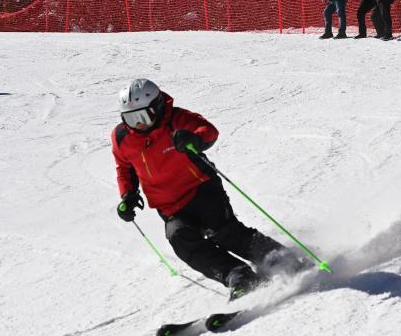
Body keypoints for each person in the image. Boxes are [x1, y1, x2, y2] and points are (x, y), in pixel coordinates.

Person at [111, 79, 304, 301]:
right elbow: (124, 167)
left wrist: (194, 138)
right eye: (131, 119)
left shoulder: (176, 119)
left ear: (158, 107)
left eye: (143, 117)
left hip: (201, 188)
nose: (139, 125)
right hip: (169, 206)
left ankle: (280, 259)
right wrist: (127, 194)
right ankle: (238, 275)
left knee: (225, 231)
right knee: (181, 241)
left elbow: (208, 130)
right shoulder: (122, 137)